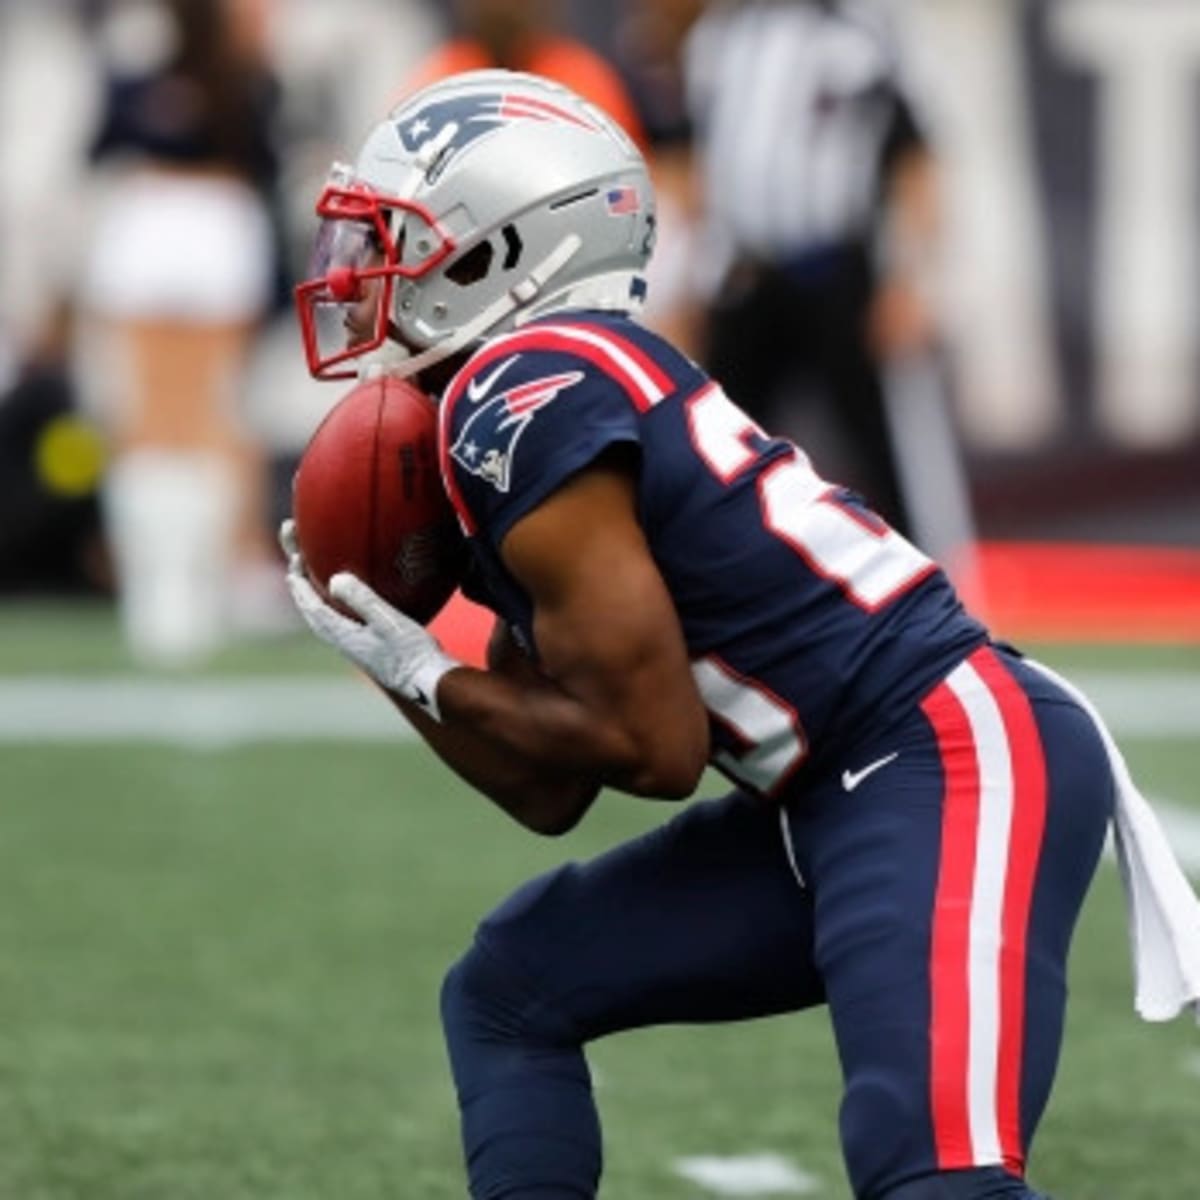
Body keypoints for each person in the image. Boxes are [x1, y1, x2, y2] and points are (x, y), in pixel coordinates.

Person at [280, 70, 1200, 1200]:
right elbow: (548, 787)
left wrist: (430, 670)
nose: (357, 272)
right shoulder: (527, 395)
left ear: (502, 250)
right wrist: (394, 663)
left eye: (398, 238)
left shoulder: (519, 391)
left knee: (935, 1177)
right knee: (511, 989)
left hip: (941, 754)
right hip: (839, 787)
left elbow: (655, 750)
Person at [681, 0, 945, 542]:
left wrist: (910, 279)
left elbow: (911, 155)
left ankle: (925, 593)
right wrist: (692, 282)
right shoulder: (716, 38)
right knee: (714, 450)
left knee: (884, 453)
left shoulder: (854, 30)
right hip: (747, 277)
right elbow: (699, 164)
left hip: (835, 275)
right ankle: (715, 595)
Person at [74, 0, 285, 664]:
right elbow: (103, 140)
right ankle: (153, 584)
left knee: (214, 405)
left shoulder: (241, 61)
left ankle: (217, 573)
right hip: (151, 212)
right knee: (149, 408)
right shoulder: (134, 52)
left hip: (219, 214)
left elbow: (261, 146)